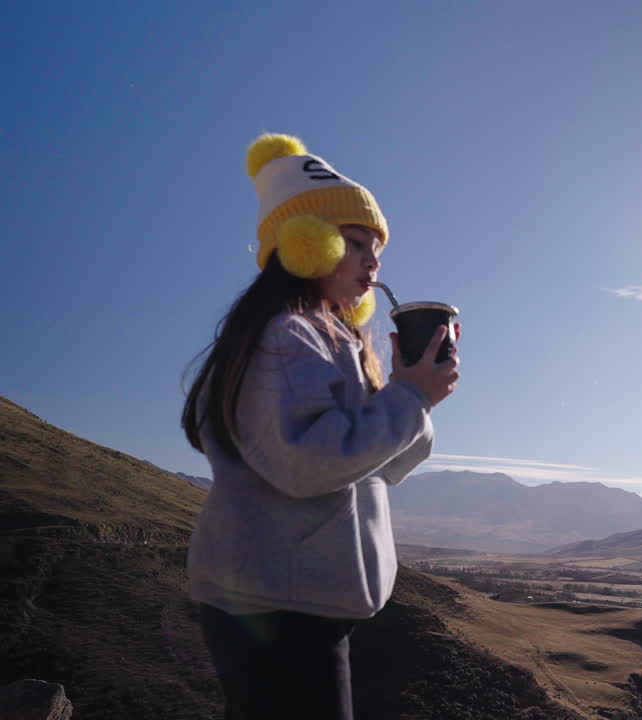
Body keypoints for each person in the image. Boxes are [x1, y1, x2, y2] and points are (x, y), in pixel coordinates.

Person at [181, 133, 460, 719]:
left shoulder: (334, 342)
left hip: (297, 599)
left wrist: (414, 397)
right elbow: (308, 465)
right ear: (305, 243)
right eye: (356, 242)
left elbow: (382, 467)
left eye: (377, 247)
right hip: (276, 608)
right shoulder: (285, 336)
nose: (374, 261)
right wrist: (408, 398)